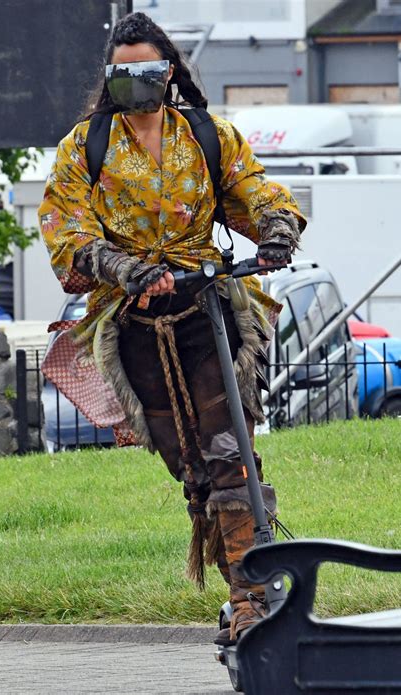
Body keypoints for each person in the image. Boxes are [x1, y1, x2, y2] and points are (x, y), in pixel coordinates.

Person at [39, 12, 306, 645]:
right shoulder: (85, 146)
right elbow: (65, 231)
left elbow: (256, 191)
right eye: (123, 72)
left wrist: (276, 232)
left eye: (148, 70)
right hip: (132, 327)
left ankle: (253, 598)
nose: (138, 83)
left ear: (169, 71)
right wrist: (124, 268)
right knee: (190, 466)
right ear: (110, 78)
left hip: (208, 315)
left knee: (230, 454)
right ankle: (239, 591)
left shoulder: (209, 136)